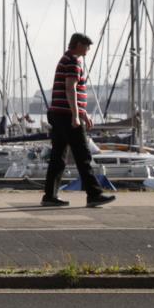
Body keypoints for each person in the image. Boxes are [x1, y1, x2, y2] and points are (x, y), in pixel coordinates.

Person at [41, 33, 115, 208]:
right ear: (79, 45)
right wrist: (77, 114)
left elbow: (69, 91)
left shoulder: (65, 59)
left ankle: (49, 196)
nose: (89, 49)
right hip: (67, 116)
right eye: (87, 45)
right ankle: (94, 194)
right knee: (83, 155)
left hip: (59, 113)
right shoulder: (73, 61)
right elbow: (70, 88)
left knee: (58, 156)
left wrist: (80, 112)